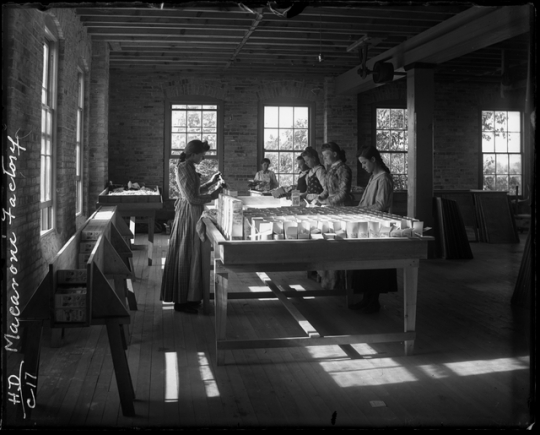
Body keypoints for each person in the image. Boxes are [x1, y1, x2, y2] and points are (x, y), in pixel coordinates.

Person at [160, 139, 223, 314]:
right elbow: (193, 198)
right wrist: (214, 195)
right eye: (202, 155)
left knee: (191, 255)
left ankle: (190, 297)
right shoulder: (184, 168)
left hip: (191, 212)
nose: (203, 159)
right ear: (193, 154)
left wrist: (211, 183)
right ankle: (182, 301)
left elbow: (194, 191)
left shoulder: (187, 167)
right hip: (189, 214)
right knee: (188, 254)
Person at [349, 145, 398, 313]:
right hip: (367, 224)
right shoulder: (374, 176)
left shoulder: (383, 178)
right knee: (365, 264)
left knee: (375, 266)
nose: (363, 167)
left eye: (364, 163)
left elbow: (381, 205)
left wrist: (360, 210)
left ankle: (372, 300)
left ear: (373, 160)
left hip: (378, 226)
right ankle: (366, 299)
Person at [315, 142, 354, 206]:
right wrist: (319, 197)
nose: (324, 158)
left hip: (342, 206)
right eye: (323, 156)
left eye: (326, 155)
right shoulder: (331, 169)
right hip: (331, 205)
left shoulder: (344, 169)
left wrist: (326, 202)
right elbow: (328, 190)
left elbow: (343, 193)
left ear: (334, 154)